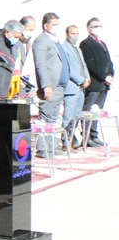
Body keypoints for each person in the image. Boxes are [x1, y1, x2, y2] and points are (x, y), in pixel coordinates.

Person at [33, 12, 66, 152]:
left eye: (57, 24)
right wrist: (46, 85)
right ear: (46, 26)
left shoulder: (55, 40)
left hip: (60, 85)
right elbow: (40, 64)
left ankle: (51, 147)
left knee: (53, 118)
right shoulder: (41, 40)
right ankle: (42, 148)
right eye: (54, 25)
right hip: (50, 86)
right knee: (46, 117)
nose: (56, 27)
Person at [81, 17, 114, 144]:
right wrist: (104, 76)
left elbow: (108, 61)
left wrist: (111, 74)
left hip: (104, 84)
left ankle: (94, 135)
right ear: (89, 28)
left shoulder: (102, 43)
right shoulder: (86, 44)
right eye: (96, 26)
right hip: (95, 84)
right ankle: (87, 137)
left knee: (97, 111)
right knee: (89, 111)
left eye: (100, 26)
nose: (98, 28)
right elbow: (91, 64)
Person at [60, 24, 90, 143]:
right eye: (73, 33)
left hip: (81, 88)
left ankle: (72, 137)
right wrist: (81, 80)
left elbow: (83, 64)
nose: (75, 36)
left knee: (77, 115)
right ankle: (66, 139)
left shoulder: (77, 49)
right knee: (68, 116)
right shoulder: (63, 48)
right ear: (67, 34)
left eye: (77, 34)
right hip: (71, 87)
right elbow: (67, 69)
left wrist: (87, 78)